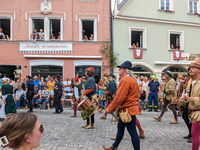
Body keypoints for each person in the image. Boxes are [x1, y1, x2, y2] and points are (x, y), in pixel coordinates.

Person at [103, 61, 140, 150]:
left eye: (120, 68)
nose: (119, 69)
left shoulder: (125, 80)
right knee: (120, 128)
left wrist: (110, 108)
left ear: (125, 70)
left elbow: (119, 97)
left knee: (133, 133)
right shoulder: (133, 79)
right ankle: (114, 147)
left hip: (127, 110)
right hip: (127, 109)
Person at [185, 58, 200, 150]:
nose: (191, 69)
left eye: (194, 67)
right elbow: (189, 93)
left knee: (194, 134)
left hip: (198, 112)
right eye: (190, 67)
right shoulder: (192, 81)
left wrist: (193, 99)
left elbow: (193, 97)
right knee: (194, 134)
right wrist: (184, 96)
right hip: (193, 112)